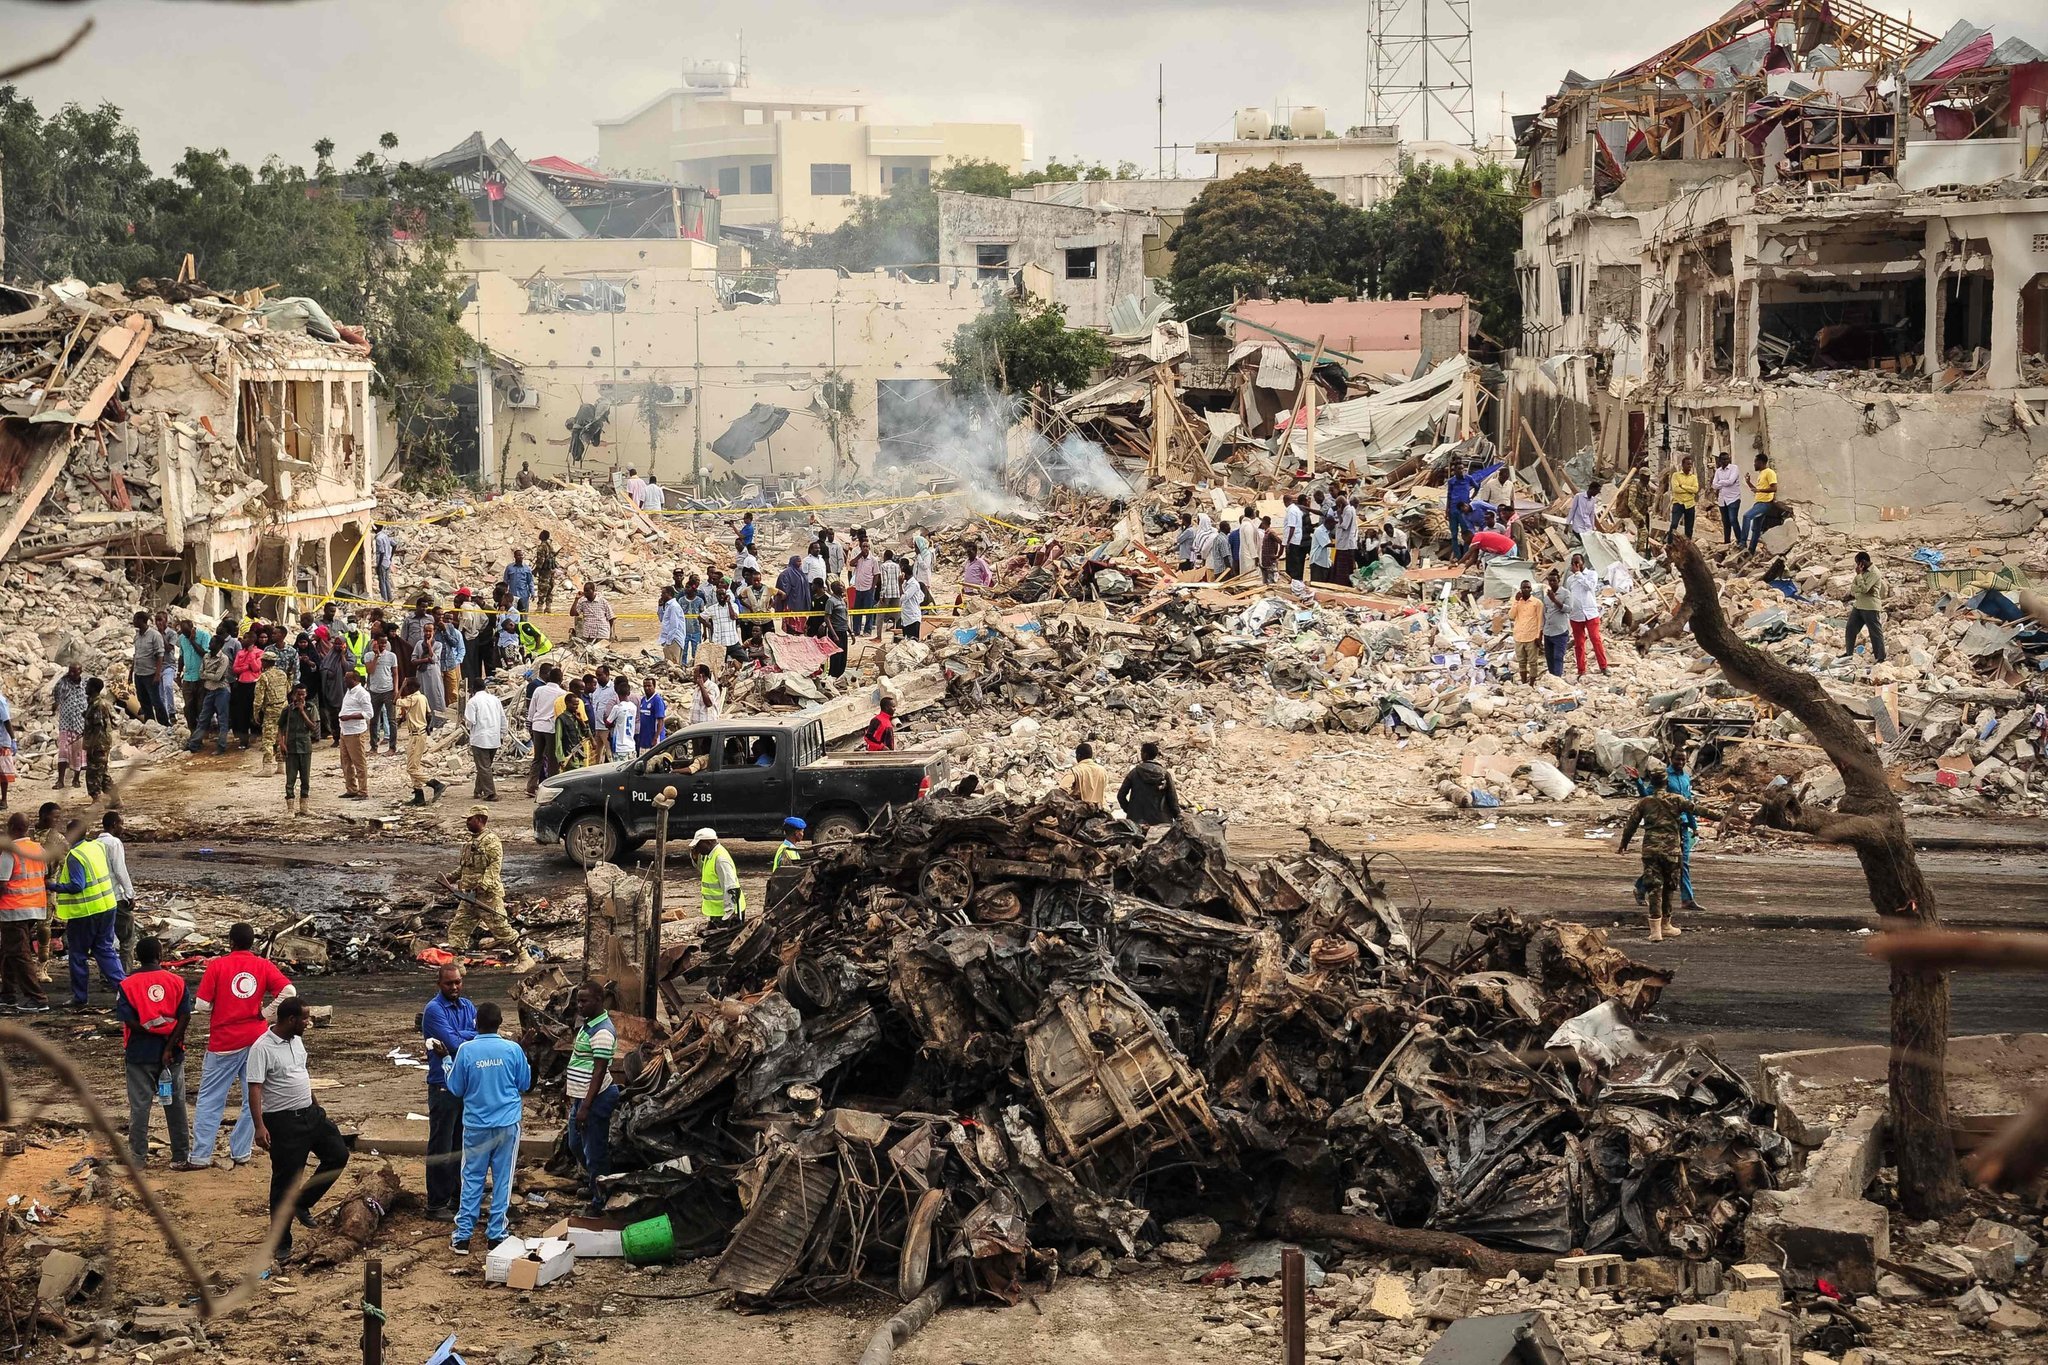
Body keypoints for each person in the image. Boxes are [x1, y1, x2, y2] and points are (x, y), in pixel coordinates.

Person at [182, 922, 294, 1169]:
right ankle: (241, 1151)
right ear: (252, 943)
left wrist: (220, 1008)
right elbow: (288, 990)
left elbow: (201, 1004)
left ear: (230, 942)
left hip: (224, 1041)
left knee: (211, 1099)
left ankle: (201, 1155)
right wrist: (265, 1014)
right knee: (253, 1098)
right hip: (256, 1040)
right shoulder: (262, 965)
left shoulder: (218, 966)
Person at [249, 997, 350, 1262]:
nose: (309, 1022)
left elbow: (301, 1075)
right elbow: (254, 1089)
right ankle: (281, 1241)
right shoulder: (262, 1048)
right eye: (305, 1018)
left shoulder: (297, 1040)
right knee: (285, 1181)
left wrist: (316, 1107)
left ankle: (302, 1201)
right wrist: (259, 1126)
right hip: (283, 1122)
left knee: (338, 1155)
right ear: (291, 1020)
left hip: (311, 1114)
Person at [445, 1000, 530, 1253]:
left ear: (475, 1024)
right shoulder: (513, 1049)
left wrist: (445, 1063)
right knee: (503, 1179)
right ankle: (496, 1234)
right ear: (500, 1023)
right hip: (507, 1124)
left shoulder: (466, 1051)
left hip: (476, 1126)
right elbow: (525, 1082)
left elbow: (456, 1088)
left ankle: (462, 1237)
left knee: (472, 1179)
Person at [1617, 768, 1717, 942]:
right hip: (1672, 851)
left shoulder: (1645, 802)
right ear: (1667, 782)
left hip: (1650, 850)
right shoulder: (1676, 800)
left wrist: (1623, 845)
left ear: (1652, 783)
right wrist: (1724, 816)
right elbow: (1698, 810)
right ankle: (1666, 925)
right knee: (1670, 887)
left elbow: (1631, 824)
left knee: (1654, 888)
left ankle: (1655, 931)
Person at [117, 936, 191, 1166]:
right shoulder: (177, 982)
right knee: (175, 1104)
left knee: (140, 1106)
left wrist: (153, 1034)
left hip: (140, 1055)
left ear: (137, 957)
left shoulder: (126, 985)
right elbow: (185, 1016)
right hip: (171, 1056)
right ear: (160, 956)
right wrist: (168, 1046)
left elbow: (129, 1021)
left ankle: (138, 1158)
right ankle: (180, 1155)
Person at [46, 816, 125, 1009]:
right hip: (107, 906)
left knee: (78, 955)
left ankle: (80, 997)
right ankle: (127, 991)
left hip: (86, 912)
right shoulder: (96, 847)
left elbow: (77, 885)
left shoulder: (75, 856)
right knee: (105, 950)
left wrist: (54, 886)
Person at [419, 963, 475, 1221]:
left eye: (457, 982)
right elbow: (454, 1045)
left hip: (463, 1084)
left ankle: (455, 1197)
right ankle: (436, 1203)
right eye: (449, 983)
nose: (454, 987)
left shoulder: (468, 1006)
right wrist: (465, 1037)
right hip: (442, 1084)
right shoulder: (433, 1010)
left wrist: (459, 1037)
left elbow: (473, 1038)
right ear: (438, 984)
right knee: (441, 1144)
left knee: (458, 1143)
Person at [565, 980, 617, 1216]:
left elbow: (599, 1071)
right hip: (581, 1098)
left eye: (584, 1001)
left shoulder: (603, 1031)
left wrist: (585, 1106)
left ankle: (600, 1201)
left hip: (595, 1099)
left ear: (599, 1000)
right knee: (576, 1144)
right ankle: (594, 1183)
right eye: (578, 1000)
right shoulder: (588, 1026)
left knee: (595, 1150)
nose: (579, 1005)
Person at [444, 806, 517, 949]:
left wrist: (483, 885)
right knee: (457, 930)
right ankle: (458, 964)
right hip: (469, 897)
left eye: (470, 819)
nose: (467, 822)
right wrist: (451, 877)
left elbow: (495, 866)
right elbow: (466, 866)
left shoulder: (491, 841)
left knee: (502, 930)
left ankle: (524, 956)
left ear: (480, 819)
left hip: (487, 897)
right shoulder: (470, 842)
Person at [0, 812, 50, 1013]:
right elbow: (43, 874)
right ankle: (7, 995)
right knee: (9, 952)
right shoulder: (37, 849)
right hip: (34, 909)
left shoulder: (9, 853)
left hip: (13, 910)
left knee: (19, 954)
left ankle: (37, 998)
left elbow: (2, 884)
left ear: (11, 828)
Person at [98, 811, 136, 970]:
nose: (122, 827)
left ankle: (106, 976)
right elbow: (120, 871)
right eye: (121, 823)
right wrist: (130, 894)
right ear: (114, 825)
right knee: (127, 938)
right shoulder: (114, 843)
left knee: (105, 939)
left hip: (100, 898)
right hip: (117, 896)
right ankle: (125, 974)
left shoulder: (95, 843)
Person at [1564, 552, 1609, 678]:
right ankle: (1581, 670)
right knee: (1579, 643)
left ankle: (1603, 666)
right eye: (1573, 563)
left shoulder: (1591, 574)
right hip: (1576, 615)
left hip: (1590, 613)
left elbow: (1590, 586)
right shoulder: (1570, 580)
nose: (1575, 565)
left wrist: (1578, 574)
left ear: (1583, 563)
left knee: (1595, 639)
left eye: (1577, 562)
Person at [1118, 741, 1181, 826]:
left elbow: (1121, 795)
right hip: (1161, 821)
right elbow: (1173, 800)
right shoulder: (1164, 774)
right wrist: (1178, 818)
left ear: (1145, 754)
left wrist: (1130, 811)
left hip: (1136, 821)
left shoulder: (1134, 772)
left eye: (1141, 752)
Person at [399, 686, 443, 807]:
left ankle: (435, 784)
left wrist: (402, 688)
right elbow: (429, 714)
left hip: (416, 735)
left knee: (411, 768)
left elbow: (395, 701)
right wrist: (428, 727)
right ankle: (419, 795)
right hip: (420, 733)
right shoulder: (423, 697)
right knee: (415, 766)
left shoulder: (413, 698)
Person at [525, 666, 565, 796]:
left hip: (537, 726)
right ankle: (551, 786)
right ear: (561, 679)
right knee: (552, 758)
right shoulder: (562, 694)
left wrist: (530, 722)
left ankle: (531, 786)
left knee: (538, 758)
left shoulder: (539, 690)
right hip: (551, 728)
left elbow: (532, 709)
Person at [691, 828, 744, 924]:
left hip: (727, 913)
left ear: (709, 842)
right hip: (718, 911)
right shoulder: (710, 854)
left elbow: (730, 885)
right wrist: (695, 858)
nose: (697, 848)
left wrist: (729, 912)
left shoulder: (720, 859)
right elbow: (706, 871)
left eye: (699, 845)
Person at [279, 683, 317, 815]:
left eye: (303, 694)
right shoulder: (287, 710)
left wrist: (302, 712)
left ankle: (304, 807)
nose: (301, 697)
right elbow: (280, 727)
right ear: (293, 695)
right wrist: (281, 743)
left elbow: (313, 727)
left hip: (305, 746)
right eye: (298, 694)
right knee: (291, 779)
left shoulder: (311, 708)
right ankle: (290, 808)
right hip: (291, 747)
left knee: (305, 779)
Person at [464, 679, 504, 801]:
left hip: (480, 738)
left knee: (483, 766)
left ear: (473, 689)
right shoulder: (495, 700)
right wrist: (502, 734)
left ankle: (490, 793)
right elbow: (503, 718)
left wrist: (467, 725)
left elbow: (470, 721)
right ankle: (478, 790)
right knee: (485, 766)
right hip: (494, 738)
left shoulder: (472, 702)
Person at [252, 650, 289, 778]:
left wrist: (256, 712)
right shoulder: (282, 674)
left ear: (265, 662)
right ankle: (281, 765)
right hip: (284, 707)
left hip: (271, 709)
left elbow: (258, 697)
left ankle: (267, 766)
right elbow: (288, 689)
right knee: (281, 736)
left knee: (268, 738)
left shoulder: (264, 676)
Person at [1844, 551, 1886, 664]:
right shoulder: (1862, 572)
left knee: (1875, 632)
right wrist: (1860, 583)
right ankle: (1848, 654)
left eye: (1858, 563)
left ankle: (1880, 657)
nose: (1857, 566)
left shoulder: (1874, 573)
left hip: (1870, 606)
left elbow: (1864, 589)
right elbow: (1853, 587)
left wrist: (1859, 577)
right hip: (1859, 605)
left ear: (1863, 562)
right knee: (1850, 628)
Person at [336, 669, 372, 799]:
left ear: (355, 680)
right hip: (344, 731)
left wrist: (350, 717)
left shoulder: (362, 694)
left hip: (355, 732)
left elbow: (369, 714)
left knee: (359, 762)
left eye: (347, 678)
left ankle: (363, 791)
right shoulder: (349, 691)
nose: (345, 680)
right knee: (345, 762)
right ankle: (351, 788)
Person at [82, 677, 117, 802]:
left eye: (87, 686)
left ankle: (96, 800)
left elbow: (98, 727)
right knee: (102, 772)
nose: (85, 687)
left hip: (98, 744)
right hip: (100, 743)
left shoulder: (98, 705)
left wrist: (91, 745)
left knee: (93, 773)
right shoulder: (93, 703)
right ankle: (115, 799)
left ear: (93, 688)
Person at [131, 612, 169, 726]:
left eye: (135, 619)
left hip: (150, 674)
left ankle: (164, 724)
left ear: (142, 620)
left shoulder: (154, 635)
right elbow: (136, 655)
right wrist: (130, 673)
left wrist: (157, 675)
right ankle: (150, 724)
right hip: (138, 673)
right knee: (143, 701)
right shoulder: (137, 636)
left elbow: (160, 655)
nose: (133, 621)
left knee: (156, 701)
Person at [53, 663, 87, 788]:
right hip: (66, 724)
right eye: (70, 671)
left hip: (80, 724)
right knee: (63, 752)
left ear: (80, 671)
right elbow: (56, 695)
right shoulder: (64, 683)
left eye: (75, 672)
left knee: (78, 753)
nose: (72, 674)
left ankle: (76, 779)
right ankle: (60, 780)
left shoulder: (85, 684)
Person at [1509, 581, 1545, 686]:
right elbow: (1511, 616)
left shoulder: (1537, 603)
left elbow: (1540, 620)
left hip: (1531, 637)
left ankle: (1532, 683)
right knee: (1521, 662)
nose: (1526, 590)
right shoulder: (1517, 602)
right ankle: (1524, 682)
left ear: (1531, 589)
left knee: (1533, 662)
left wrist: (1539, 636)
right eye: (1524, 588)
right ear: (1520, 589)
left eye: (1528, 588)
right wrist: (1516, 601)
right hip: (1519, 636)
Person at [1741, 453, 1777, 553]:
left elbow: (1774, 488)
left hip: (1765, 503)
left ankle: (1742, 543)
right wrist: (1748, 482)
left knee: (1746, 516)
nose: (1754, 464)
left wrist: (1760, 491)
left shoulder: (1769, 472)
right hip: (1759, 502)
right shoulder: (1761, 473)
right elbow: (1756, 490)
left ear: (1760, 462)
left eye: (1755, 462)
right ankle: (1751, 551)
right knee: (1756, 529)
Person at [1541, 569, 1572, 679]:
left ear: (1558, 580)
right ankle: (1552, 678)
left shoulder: (1565, 593)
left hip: (1560, 631)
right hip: (1548, 632)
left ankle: (1557, 678)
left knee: (1558, 657)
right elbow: (1544, 613)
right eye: (1550, 581)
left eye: (1554, 581)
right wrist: (1541, 631)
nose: (1552, 583)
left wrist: (1554, 600)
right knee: (1549, 658)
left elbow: (1568, 609)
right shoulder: (1546, 597)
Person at [1059, 742, 1110, 808]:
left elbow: (1062, 789)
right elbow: (1104, 786)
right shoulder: (1102, 770)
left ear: (1079, 756)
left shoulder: (1075, 771)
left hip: (1081, 810)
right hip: (1099, 809)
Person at [1710, 451, 1742, 544]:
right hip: (1722, 500)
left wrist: (1720, 483)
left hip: (1734, 498)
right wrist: (1724, 482)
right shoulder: (1718, 471)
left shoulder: (1734, 468)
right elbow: (1714, 485)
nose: (1725, 461)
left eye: (1727, 459)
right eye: (1723, 459)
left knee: (1733, 520)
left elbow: (1731, 481)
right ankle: (1726, 542)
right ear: (1719, 461)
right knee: (1725, 522)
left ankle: (1740, 541)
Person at [1667, 455, 1699, 540]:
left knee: (1689, 528)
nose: (1689, 466)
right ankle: (1669, 543)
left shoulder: (1693, 477)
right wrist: (1689, 490)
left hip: (1690, 504)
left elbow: (1695, 490)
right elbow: (1676, 489)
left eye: (1690, 464)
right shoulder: (1676, 475)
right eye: (1687, 464)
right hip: (1678, 503)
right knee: (1674, 524)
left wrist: (1683, 486)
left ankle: (1688, 546)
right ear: (1682, 465)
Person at [633, 677, 668, 755]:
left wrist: (655, 738)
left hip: (654, 740)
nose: (647, 688)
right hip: (644, 739)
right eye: (645, 686)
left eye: (649, 686)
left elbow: (660, 721)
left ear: (654, 686)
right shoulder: (643, 700)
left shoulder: (657, 700)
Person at [1283, 496, 1309, 582]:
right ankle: (1297, 580)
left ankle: (1293, 581)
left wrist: (1288, 542)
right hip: (1297, 540)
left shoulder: (1291, 511)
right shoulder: (1297, 509)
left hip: (1292, 541)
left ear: (1285, 502)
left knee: (1291, 564)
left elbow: (1292, 527)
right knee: (1296, 562)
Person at [533, 530, 559, 613]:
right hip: (551, 570)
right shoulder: (550, 545)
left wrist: (536, 570)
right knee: (550, 587)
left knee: (542, 587)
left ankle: (540, 607)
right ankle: (548, 606)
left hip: (544, 571)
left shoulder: (542, 547)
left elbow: (541, 560)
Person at [899, 571, 926, 641]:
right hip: (906, 616)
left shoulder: (914, 585)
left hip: (912, 617)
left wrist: (899, 584)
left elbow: (903, 597)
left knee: (913, 640)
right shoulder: (906, 583)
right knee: (906, 639)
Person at [373, 525, 396, 604]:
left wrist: (378, 565)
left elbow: (382, 552)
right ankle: (390, 598)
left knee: (382, 581)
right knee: (386, 580)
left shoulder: (379, 538)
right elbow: (394, 544)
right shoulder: (385, 535)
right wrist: (390, 557)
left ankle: (385, 600)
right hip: (387, 561)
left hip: (382, 562)